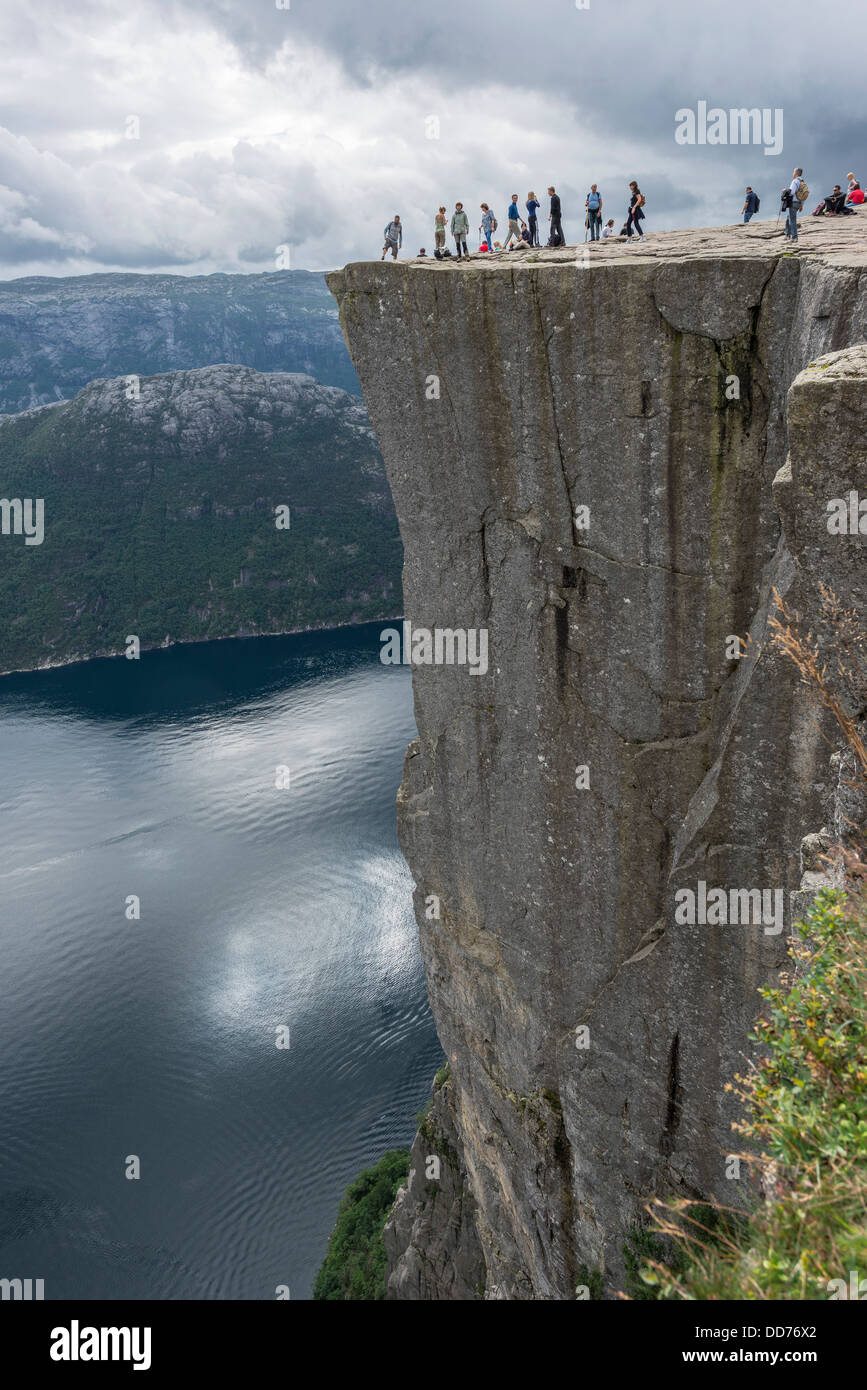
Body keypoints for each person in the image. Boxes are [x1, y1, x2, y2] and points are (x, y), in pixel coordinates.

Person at [785, 167, 805, 241]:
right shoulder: (802, 182)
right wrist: (801, 205)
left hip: (793, 202)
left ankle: (794, 237)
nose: (793, 174)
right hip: (799, 203)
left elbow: (792, 192)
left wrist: (785, 191)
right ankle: (787, 235)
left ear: (796, 173)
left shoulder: (795, 181)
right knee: (788, 218)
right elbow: (804, 195)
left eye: (793, 172)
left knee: (792, 220)